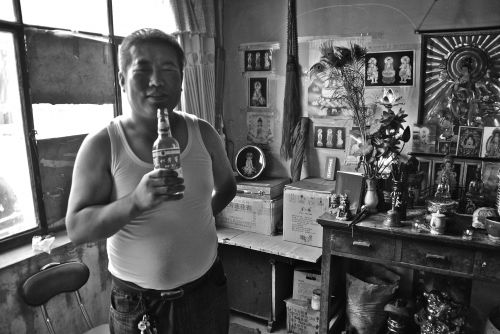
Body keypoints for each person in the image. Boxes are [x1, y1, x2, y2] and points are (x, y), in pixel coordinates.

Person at [65, 28, 236, 334]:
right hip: (139, 306)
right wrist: (135, 202)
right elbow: (77, 228)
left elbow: (227, 186)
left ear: (182, 80)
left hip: (206, 292)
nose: (156, 81)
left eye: (168, 70)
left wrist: (197, 217)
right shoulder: (103, 145)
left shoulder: (204, 133)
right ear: (121, 80)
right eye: (142, 70)